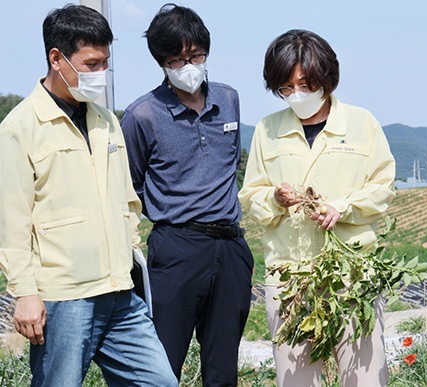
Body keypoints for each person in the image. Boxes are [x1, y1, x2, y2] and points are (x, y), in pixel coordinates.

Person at [0, 5, 178, 387]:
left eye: (105, 64)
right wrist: (25, 293)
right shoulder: (19, 128)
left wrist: (131, 251)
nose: (100, 74)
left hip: (120, 292)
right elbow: (11, 221)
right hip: (64, 298)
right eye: (92, 63)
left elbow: (125, 198)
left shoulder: (106, 119)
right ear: (56, 58)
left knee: (159, 382)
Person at [238, 29, 396, 387]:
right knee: (296, 380)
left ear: (327, 78)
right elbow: (252, 195)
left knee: (364, 378)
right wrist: (274, 200)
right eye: (286, 88)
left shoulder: (362, 124)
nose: (297, 95)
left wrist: (343, 208)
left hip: (351, 275)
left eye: (306, 84)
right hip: (291, 279)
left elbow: (382, 188)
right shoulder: (268, 129)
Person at [120, 4, 253, 386]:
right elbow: (130, 183)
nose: (188, 65)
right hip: (177, 245)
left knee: (223, 366)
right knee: (162, 364)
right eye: (177, 59)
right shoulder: (142, 115)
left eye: (195, 56)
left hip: (230, 245)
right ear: (162, 63)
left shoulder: (228, 99)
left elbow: (231, 161)